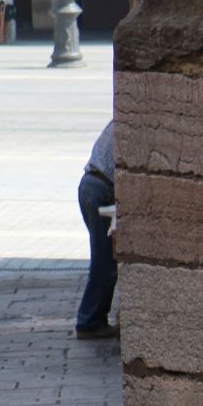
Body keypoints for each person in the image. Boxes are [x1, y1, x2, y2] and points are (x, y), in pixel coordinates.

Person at [76, 122, 118, 339]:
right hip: (101, 189)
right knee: (106, 261)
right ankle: (89, 321)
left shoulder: (119, 119)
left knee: (105, 258)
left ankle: (94, 318)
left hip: (90, 184)